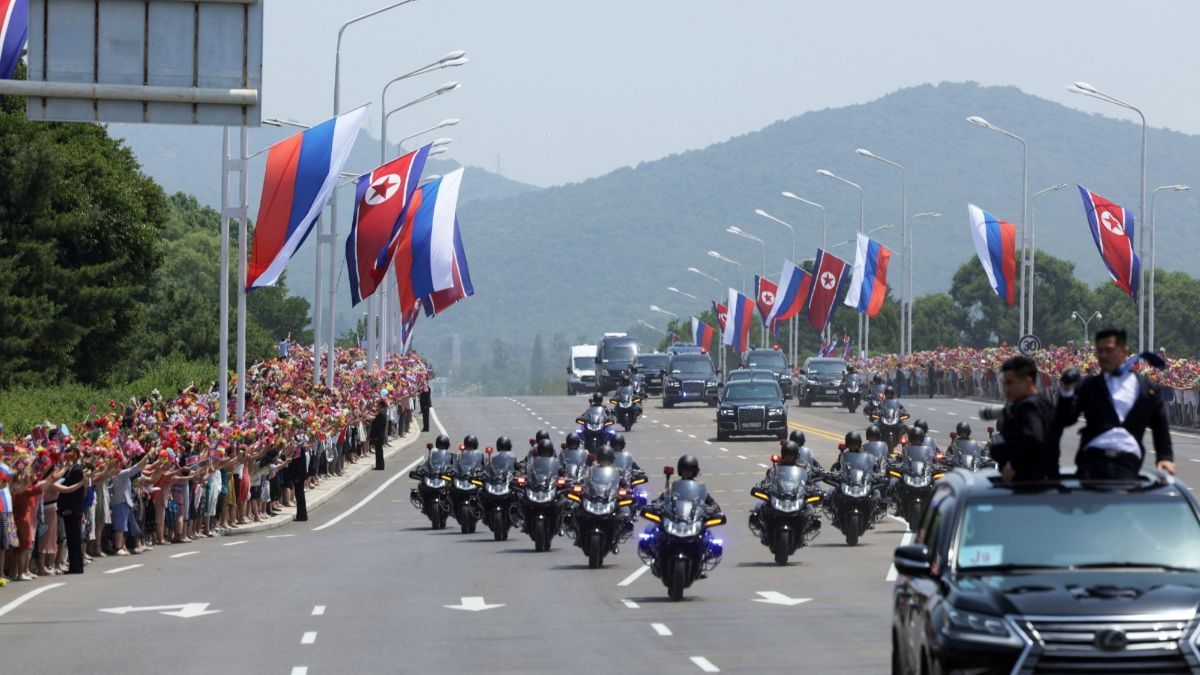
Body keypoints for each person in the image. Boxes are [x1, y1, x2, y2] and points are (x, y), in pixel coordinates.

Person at [1056, 327, 1174, 480]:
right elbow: (1066, 418)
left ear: (1124, 351)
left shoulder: (1148, 389)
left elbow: (1160, 427)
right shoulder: (1089, 385)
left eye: (1109, 350)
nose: (1103, 355)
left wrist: (1165, 457)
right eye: (1099, 351)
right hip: (1092, 461)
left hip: (1128, 462)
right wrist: (1067, 389)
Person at [989, 355, 1059, 482]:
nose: (1006, 389)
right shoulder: (1041, 402)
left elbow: (1033, 439)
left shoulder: (1029, 407)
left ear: (1027, 382)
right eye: (1005, 383)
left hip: (1027, 482)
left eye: (1010, 383)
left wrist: (1012, 465)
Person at [370, 399, 388, 470]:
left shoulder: (381, 413)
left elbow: (378, 425)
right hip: (380, 435)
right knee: (379, 451)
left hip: (379, 435)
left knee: (379, 451)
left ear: (380, 405)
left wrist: (376, 436)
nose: (377, 405)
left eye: (378, 404)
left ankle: (380, 466)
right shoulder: (382, 412)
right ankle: (379, 465)